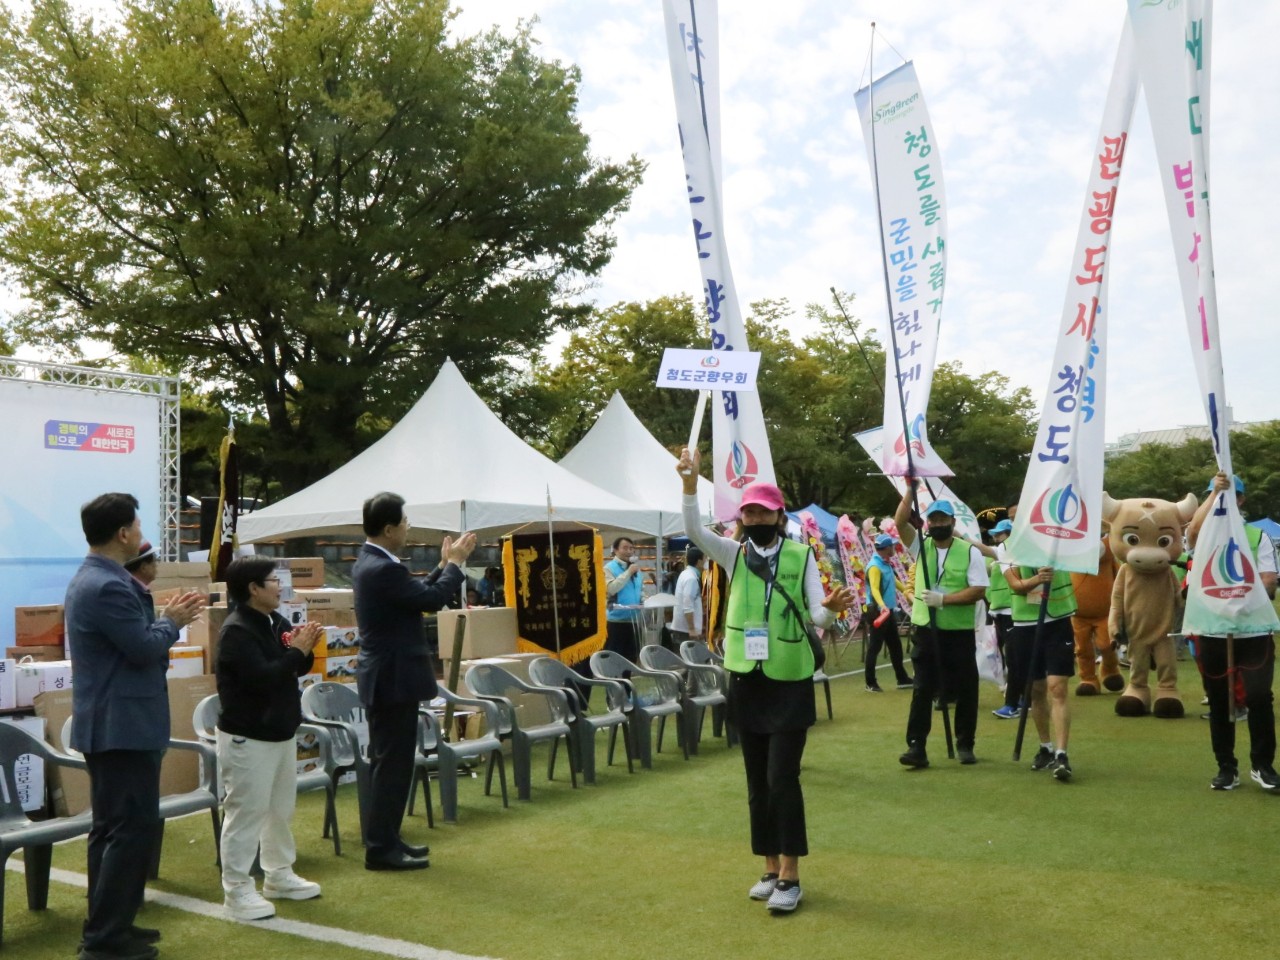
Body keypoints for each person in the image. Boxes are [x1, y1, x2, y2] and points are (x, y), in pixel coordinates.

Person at [677, 448, 853, 914]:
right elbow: (694, 531)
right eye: (749, 512)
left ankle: (791, 875)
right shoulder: (732, 554)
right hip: (746, 680)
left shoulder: (801, 554)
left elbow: (817, 614)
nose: (755, 518)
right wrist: (690, 486)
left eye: (763, 511)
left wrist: (830, 611)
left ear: (779, 515)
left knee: (782, 778)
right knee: (756, 781)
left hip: (789, 679)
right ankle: (770, 867)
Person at [64, 493, 204, 960]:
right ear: (123, 534)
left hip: (115, 724)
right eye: (138, 526)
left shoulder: (97, 579)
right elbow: (143, 648)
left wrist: (162, 624)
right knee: (127, 830)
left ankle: (110, 925)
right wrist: (172, 622)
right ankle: (105, 938)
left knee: (112, 830)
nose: (143, 534)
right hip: (122, 726)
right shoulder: (107, 585)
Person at [353, 492, 475, 870]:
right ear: (390, 529)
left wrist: (441, 566)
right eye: (405, 522)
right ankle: (380, 848)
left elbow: (417, 596)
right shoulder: (382, 568)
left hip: (388, 677)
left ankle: (388, 839)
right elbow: (432, 601)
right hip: (392, 679)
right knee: (392, 766)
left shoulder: (374, 561)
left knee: (392, 764)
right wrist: (454, 564)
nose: (409, 528)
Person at [215, 557, 324, 920]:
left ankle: (279, 874)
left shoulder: (275, 621)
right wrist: (297, 651)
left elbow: (295, 667)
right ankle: (237, 889)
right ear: (253, 589)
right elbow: (264, 678)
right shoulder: (236, 631)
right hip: (248, 736)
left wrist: (303, 648)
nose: (280, 587)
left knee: (279, 810)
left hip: (280, 731)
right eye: (273, 581)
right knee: (246, 813)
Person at [1186, 472, 1279, 790]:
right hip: (1213, 630)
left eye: (1229, 496)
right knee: (1219, 699)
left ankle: (1263, 765)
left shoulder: (1257, 536)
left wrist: (1243, 596)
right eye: (1214, 497)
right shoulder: (1203, 535)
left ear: (1241, 500)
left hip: (1253, 630)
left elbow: (1269, 580)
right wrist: (1215, 492)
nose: (1222, 502)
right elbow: (1193, 531)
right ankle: (1226, 767)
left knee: (1258, 696)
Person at [894, 488, 989, 768]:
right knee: (923, 688)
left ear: (952, 522)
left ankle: (965, 743)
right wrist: (910, 490)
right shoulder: (920, 546)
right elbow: (900, 522)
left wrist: (944, 600)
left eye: (942, 519)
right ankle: (916, 746)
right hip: (926, 629)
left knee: (966, 688)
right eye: (933, 520)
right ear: (927, 523)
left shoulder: (969, 551)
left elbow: (978, 590)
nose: (937, 524)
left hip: (958, 631)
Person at [1005, 549, 1079, 781]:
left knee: (1058, 687)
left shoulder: (1058, 543)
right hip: (1025, 625)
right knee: (1036, 690)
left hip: (1058, 621)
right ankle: (1045, 747)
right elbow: (1016, 584)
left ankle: (1062, 754)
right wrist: (1038, 578)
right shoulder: (1008, 548)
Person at [1070, 531, 1123, 696]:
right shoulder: (1071, 559)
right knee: (1082, 648)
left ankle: (1110, 669)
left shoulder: (1109, 560)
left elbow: (1120, 578)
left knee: (1107, 645)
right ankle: (1088, 678)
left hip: (1105, 612)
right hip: (1078, 613)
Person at [864, 534, 913, 693]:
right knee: (874, 648)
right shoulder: (874, 566)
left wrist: (908, 592)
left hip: (888, 611)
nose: (894, 548)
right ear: (886, 548)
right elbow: (874, 589)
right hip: (878, 613)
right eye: (892, 546)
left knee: (895, 646)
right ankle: (870, 682)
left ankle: (902, 678)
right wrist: (882, 606)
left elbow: (894, 581)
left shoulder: (885, 563)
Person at [986, 520, 1023, 719]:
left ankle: (1013, 704)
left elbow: (982, 548)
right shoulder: (999, 555)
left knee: (1014, 659)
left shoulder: (1012, 553)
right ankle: (1022, 699)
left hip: (1013, 612)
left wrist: (960, 535)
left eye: (1000, 534)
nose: (996, 538)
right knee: (1009, 657)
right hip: (999, 613)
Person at [603, 536, 649, 661]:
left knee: (631, 659)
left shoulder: (636, 569)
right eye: (625, 548)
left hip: (634, 621)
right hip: (615, 621)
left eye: (631, 548)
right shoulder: (609, 568)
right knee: (614, 659)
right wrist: (628, 572)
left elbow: (641, 589)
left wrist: (645, 599)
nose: (629, 551)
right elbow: (611, 589)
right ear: (615, 550)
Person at [670, 546, 705, 650]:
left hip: (684, 629)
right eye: (705, 559)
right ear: (699, 562)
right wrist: (692, 629)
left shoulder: (687, 574)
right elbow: (687, 605)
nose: (706, 562)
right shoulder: (691, 578)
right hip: (686, 631)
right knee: (698, 657)